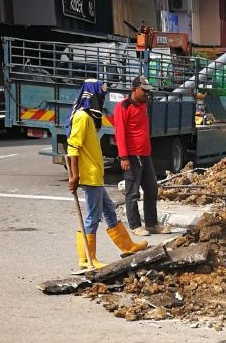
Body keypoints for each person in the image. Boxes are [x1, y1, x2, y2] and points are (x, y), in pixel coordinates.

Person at [66, 80, 147, 272]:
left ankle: (127, 247)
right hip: (89, 175)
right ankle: (87, 258)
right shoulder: (81, 118)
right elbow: (72, 147)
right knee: (93, 216)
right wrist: (74, 176)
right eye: (100, 95)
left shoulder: (89, 117)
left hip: (96, 174)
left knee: (109, 210)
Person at [113, 75, 168, 235]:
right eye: (144, 91)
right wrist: (123, 156)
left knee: (151, 189)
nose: (146, 94)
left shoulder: (144, 105)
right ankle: (135, 225)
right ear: (135, 89)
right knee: (132, 192)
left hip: (145, 154)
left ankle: (151, 224)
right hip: (131, 155)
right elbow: (120, 133)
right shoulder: (123, 107)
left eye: (148, 92)